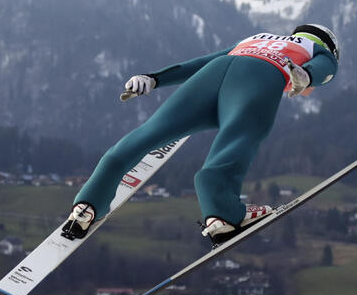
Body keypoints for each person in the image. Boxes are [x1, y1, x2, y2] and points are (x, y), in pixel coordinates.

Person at [61, 23, 339, 246]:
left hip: (215, 73)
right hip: (261, 75)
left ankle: (88, 204)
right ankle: (223, 215)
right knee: (240, 134)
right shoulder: (316, 49)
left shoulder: (257, 37)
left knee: (148, 134)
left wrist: (155, 78)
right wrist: (307, 75)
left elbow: (203, 62)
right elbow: (326, 69)